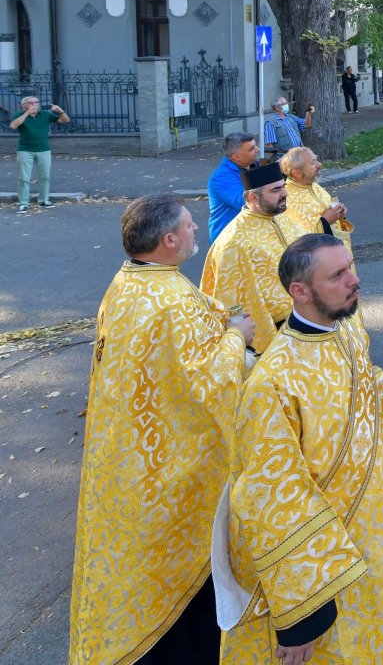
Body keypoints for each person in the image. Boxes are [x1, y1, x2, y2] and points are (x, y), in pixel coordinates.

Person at [219, 234, 383, 663]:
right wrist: (302, 617)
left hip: (375, 531)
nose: (355, 280)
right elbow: (272, 497)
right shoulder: (273, 383)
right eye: (338, 274)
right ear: (300, 291)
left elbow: (360, 385)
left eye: (351, 266)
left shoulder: (345, 328)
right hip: (324, 568)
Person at [69, 193, 253, 665]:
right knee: (183, 591)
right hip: (172, 470)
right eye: (191, 227)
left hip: (126, 456)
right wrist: (237, 336)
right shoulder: (172, 298)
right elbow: (212, 382)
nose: (197, 231)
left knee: (140, 569)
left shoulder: (125, 283)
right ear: (169, 240)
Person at [201, 161, 303, 353]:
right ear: (253, 197)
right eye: (275, 190)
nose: (285, 194)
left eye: (283, 187)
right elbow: (230, 299)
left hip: (304, 312)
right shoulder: (234, 242)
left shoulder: (280, 217)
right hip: (278, 328)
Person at [279, 146, 353, 255]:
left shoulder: (314, 186)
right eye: (313, 162)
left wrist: (339, 215)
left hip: (340, 253)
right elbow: (298, 239)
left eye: (316, 159)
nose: (319, 165)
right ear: (297, 173)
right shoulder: (288, 199)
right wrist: (325, 222)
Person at [10, 95, 68, 214]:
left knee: (45, 177)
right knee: (24, 178)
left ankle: (43, 200)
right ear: (24, 105)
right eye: (31, 103)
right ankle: (24, 204)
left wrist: (60, 111)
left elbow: (65, 120)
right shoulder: (19, 116)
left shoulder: (44, 115)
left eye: (36, 102)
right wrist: (26, 114)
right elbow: (13, 126)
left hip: (43, 150)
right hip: (25, 150)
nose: (35, 104)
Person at [207, 132, 259, 242]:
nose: (257, 150)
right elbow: (246, 201)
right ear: (236, 157)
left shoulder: (252, 166)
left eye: (255, 145)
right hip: (229, 240)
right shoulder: (221, 178)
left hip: (247, 235)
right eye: (251, 149)